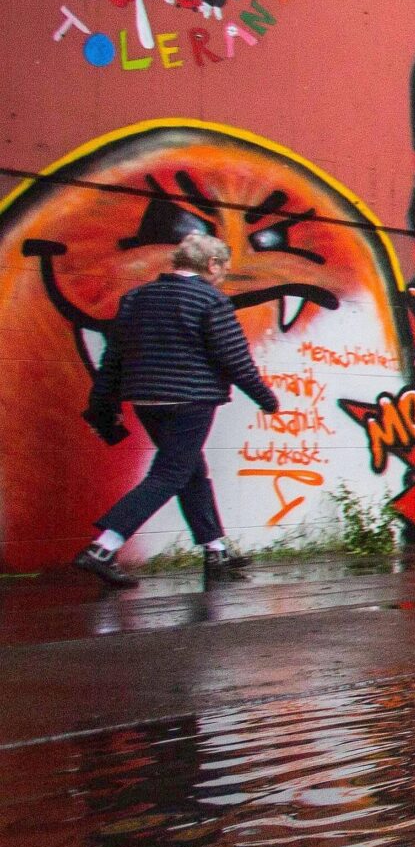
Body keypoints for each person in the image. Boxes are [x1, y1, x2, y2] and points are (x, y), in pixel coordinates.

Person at [76, 231, 282, 588]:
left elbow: (114, 358)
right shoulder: (210, 301)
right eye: (224, 269)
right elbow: (234, 358)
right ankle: (103, 547)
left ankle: (215, 550)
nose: (223, 276)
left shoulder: (135, 298)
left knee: (190, 469)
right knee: (170, 473)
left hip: (146, 401)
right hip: (191, 402)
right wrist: (266, 398)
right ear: (212, 264)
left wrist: (102, 404)